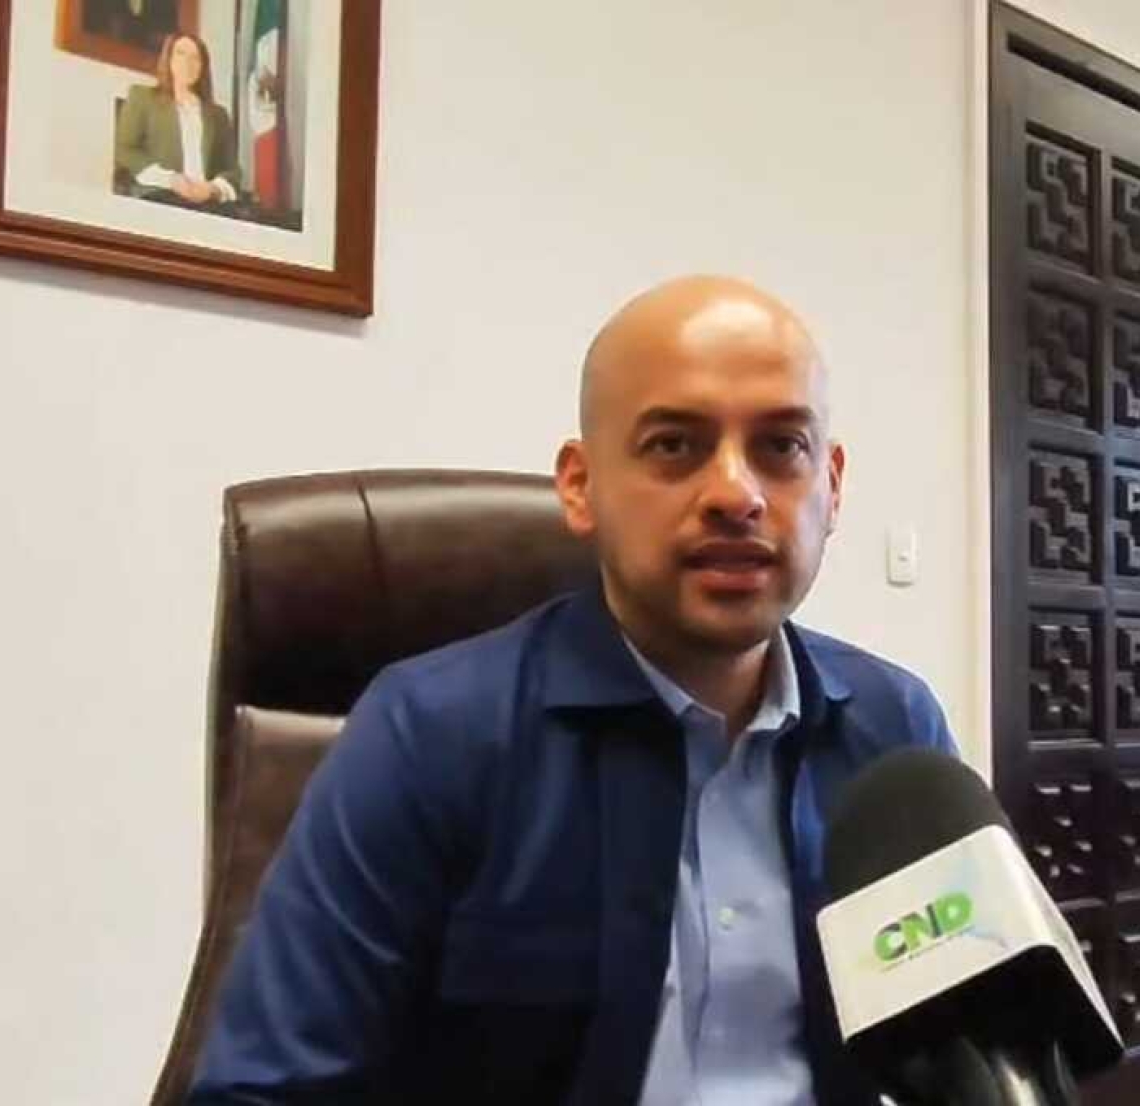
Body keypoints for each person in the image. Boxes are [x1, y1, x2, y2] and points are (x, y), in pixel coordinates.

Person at [188, 275, 960, 1104]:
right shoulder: (426, 735)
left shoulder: (896, 733)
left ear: (832, 485)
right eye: (675, 445)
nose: (737, 495)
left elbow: (983, 1050)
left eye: (781, 448)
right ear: (579, 486)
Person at [114, 33, 240, 208]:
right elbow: (124, 150)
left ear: (203, 67)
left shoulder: (218, 115)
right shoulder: (142, 97)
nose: (188, 63)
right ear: (168, 60)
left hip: (206, 205)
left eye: (196, 58)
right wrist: (170, 179)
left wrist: (212, 189)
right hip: (158, 197)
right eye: (181, 54)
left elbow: (232, 170)